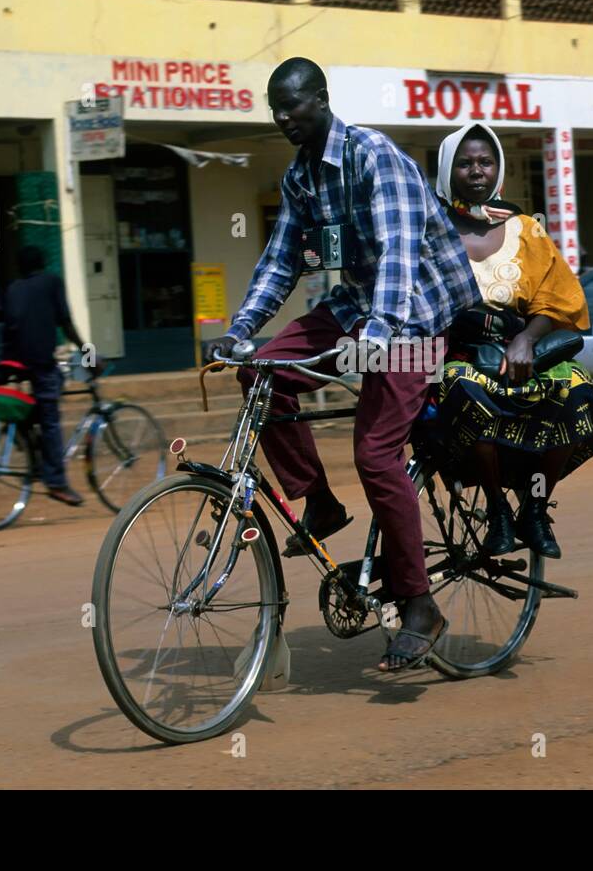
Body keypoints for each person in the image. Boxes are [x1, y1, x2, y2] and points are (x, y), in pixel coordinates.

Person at [205, 57, 482, 673]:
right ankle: (319, 503)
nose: (283, 119)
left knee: (376, 453)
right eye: (275, 109)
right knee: (263, 370)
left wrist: (380, 332)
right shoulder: (300, 178)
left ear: (322, 99)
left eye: (293, 106)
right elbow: (281, 261)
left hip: (420, 314)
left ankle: (419, 605)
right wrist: (242, 330)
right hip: (357, 307)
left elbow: (398, 257)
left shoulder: (373, 156)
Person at [427, 123, 593, 559]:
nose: (477, 170)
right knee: (465, 390)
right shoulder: (430, 231)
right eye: (465, 162)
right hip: (459, 354)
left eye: (485, 161)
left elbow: (558, 298)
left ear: (498, 169)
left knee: (577, 390)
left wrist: (527, 340)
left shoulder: (527, 229)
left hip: (522, 350)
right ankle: (496, 512)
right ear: (446, 169)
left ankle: (533, 509)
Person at [3, 245, 88, 506]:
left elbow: (12, 324)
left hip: (16, 360)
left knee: (49, 394)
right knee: (51, 420)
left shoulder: (14, 288)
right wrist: (88, 353)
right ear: (42, 262)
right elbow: (66, 322)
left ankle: (25, 431)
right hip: (41, 361)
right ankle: (57, 482)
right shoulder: (52, 282)